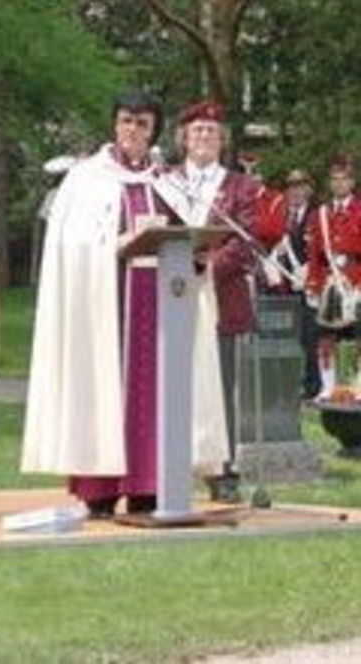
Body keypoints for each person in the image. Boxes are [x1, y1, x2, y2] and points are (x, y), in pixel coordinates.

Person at [21, 92, 227, 518]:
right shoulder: (87, 180)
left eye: (143, 124)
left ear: (154, 131)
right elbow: (70, 245)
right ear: (115, 124)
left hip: (161, 310)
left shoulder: (167, 180)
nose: (133, 131)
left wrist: (197, 255)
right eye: (126, 121)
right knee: (104, 391)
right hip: (106, 306)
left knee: (158, 394)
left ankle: (149, 486)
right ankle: (99, 488)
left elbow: (184, 232)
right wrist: (113, 246)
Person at [166, 100, 257, 492]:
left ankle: (222, 471)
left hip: (221, 299)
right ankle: (171, 466)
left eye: (212, 131)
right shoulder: (164, 181)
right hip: (170, 296)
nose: (204, 136)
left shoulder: (242, 187)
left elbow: (245, 242)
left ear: (222, 141)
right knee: (170, 384)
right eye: (197, 130)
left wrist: (205, 268)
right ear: (184, 138)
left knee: (221, 388)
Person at [256, 168, 320, 398]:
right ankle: (281, 385)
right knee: (279, 339)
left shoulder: (316, 214)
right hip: (278, 284)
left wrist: (310, 273)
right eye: (292, 186)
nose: (296, 191)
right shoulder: (278, 213)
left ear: (309, 189)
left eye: (301, 186)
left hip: (305, 285)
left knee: (307, 338)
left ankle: (311, 386)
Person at [305, 156, 361, 399]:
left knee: (359, 336)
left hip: (356, 279)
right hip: (329, 283)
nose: (339, 184)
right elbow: (314, 253)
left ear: (352, 182)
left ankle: (359, 386)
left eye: (344, 179)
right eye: (335, 179)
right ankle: (327, 387)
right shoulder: (321, 214)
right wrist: (314, 285)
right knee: (326, 339)